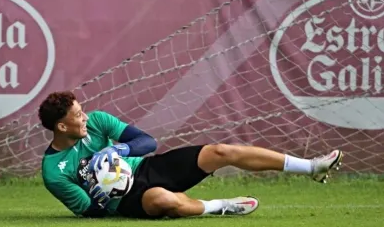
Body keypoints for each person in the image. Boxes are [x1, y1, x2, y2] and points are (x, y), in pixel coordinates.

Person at [39, 91, 343, 219]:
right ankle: (221, 206)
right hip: (128, 201)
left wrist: (121, 149)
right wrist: (101, 191)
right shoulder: (54, 172)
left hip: (147, 167)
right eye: (78, 116)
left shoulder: (99, 121)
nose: (85, 117)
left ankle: (311, 166)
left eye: (83, 111)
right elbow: (89, 211)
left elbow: (148, 142)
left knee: (220, 151)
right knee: (163, 199)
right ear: (62, 125)